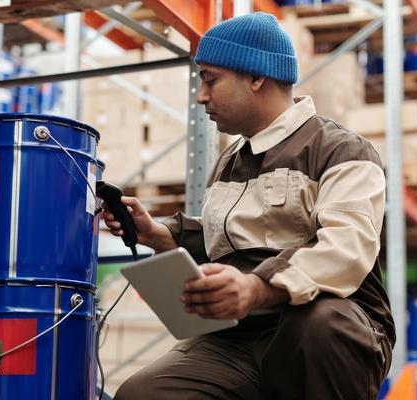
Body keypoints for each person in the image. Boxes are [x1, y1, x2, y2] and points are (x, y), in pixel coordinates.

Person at [102, 11, 395, 400]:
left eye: (210, 80)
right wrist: (159, 234)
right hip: (240, 337)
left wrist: (257, 287)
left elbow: (346, 250)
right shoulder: (229, 162)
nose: (201, 95)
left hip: (326, 332)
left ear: (256, 77)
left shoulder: (342, 151)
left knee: (321, 323)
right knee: (142, 393)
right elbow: (230, 245)